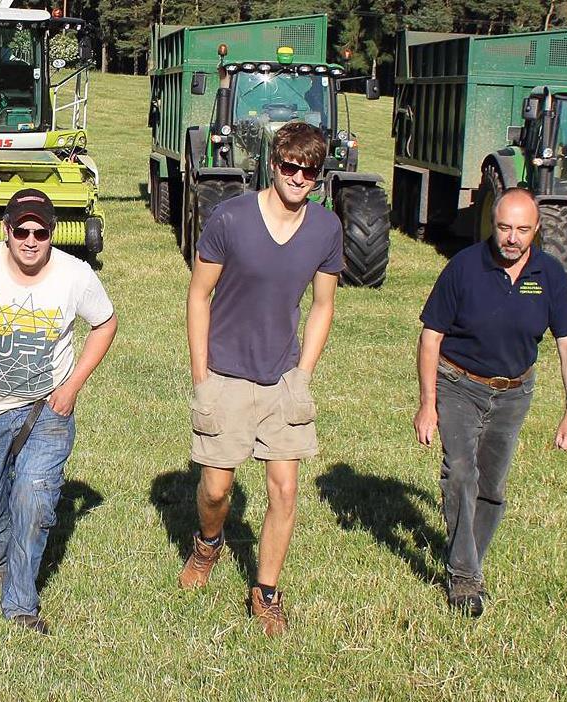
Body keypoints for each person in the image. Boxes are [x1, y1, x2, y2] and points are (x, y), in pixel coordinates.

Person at [182, 122, 342, 636]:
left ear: (318, 176)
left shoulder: (326, 229)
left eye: (309, 171)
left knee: (285, 490)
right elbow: (198, 295)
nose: (298, 177)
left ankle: (266, 591)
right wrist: (201, 375)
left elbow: (322, 305)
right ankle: (208, 544)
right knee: (216, 490)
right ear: (274, 164)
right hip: (225, 374)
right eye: (291, 166)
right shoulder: (231, 218)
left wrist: (303, 374)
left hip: (283, 379)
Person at [0, 188, 117, 635]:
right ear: (7, 230)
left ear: (53, 232)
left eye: (41, 232)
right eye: (22, 231)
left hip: (46, 410)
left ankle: (19, 603)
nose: (31, 240)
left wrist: (72, 386)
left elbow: (105, 322)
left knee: (33, 498)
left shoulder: (75, 275)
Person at [413, 187, 567, 616]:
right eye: (504, 227)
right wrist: (427, 402)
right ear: (493, 224)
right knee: (460, 474)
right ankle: (465, 577)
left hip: (514, 394)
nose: (512, 238)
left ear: (536, 229)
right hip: (459, 384)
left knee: (491, 487)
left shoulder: (550, 275)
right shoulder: (464, 267)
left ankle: (466, 556)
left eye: (522, 230)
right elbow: (431, 337)